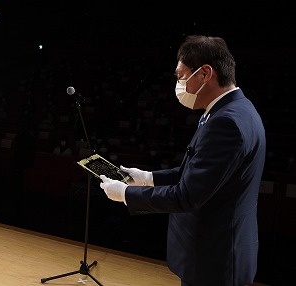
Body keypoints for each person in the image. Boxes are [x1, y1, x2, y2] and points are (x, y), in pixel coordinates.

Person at [98, 35, 266, 286]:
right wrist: (148, 178)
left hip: (216, 258)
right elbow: (199, 173)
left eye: (181, 75)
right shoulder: (235, 109)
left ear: (205, 73)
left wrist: (125, 194)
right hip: (222, 251)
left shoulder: (226, 122)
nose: (179, 84)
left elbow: (188, 196)